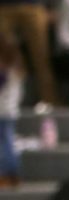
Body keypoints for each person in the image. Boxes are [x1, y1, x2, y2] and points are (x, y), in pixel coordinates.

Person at [0, 0, 57, 105]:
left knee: (42, 59)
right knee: (3, 57)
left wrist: (51, 8)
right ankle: (6, 102)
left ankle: (50, 103)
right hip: (4, 7)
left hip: (34, 6)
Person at [0, 30, 23, 188]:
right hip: (9, 109)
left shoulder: (6, 69)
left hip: (4, 110)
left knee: (6, 143)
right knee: (7, 142)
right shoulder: (15, 66)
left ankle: (9, 174)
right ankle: (10, 174)